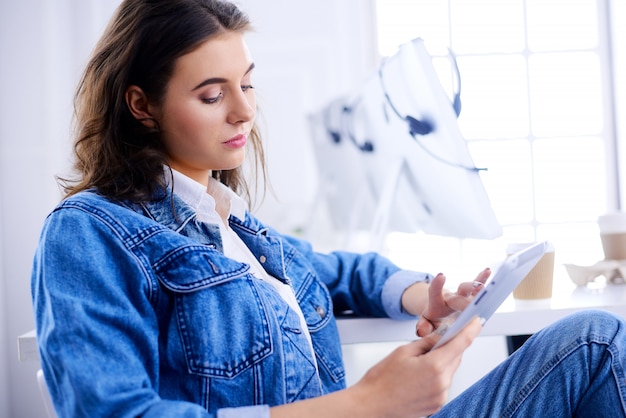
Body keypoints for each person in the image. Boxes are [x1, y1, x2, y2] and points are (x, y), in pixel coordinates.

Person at [30, 0, 626, 417]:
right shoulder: (89, 232)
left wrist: (426, 295)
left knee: (591, 340)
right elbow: (112, 410)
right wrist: (363, 406)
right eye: (212, 94)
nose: (243, 110)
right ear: (141, 105)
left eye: (247, 84)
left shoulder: (233, 224)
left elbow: (341, 270)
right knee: (596, 343)